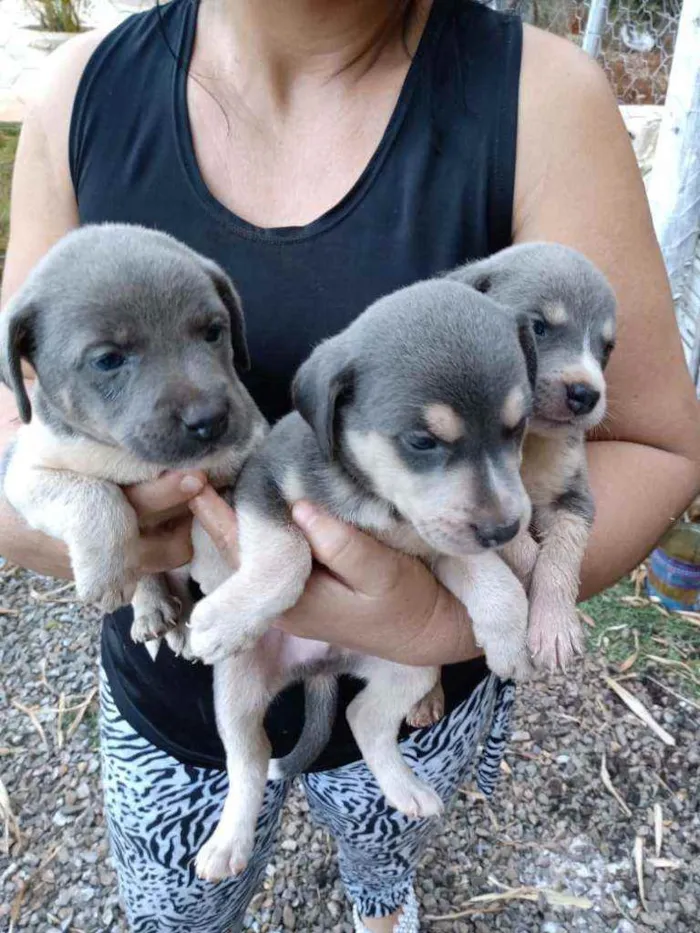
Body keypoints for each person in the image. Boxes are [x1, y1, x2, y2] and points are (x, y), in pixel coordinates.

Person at [1, 0, 698, 930]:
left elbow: (653, 442)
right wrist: (127, 551)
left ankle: (379, 894)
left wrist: (442, 622)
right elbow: (18, 441)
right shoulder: (79, 93)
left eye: (215, 335)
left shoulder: (544, 97)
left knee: (385, 834)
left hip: (417, 681)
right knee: (180, 901)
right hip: (178, 693)